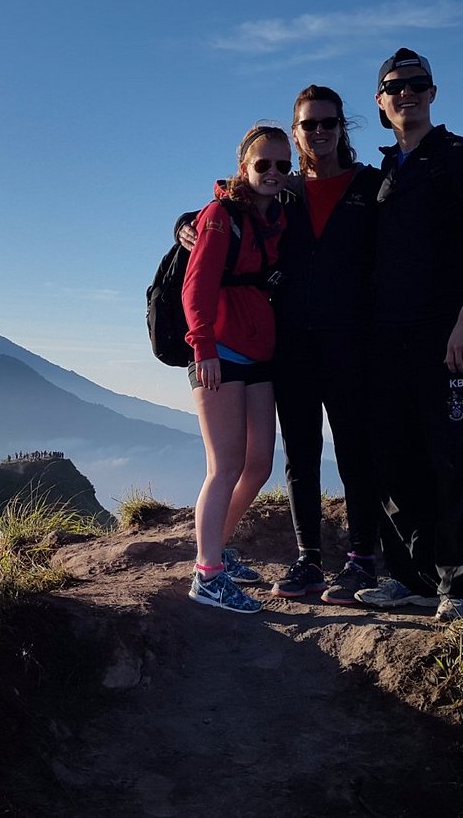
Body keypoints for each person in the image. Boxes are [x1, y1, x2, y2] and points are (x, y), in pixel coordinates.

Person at [355, 48, 463, 621]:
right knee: (394, 457)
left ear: (433, 93)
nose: (406, 93)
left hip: (447, 337)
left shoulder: (459, 158)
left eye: (417, 84)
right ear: (381, 100)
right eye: (395, 86)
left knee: (451, 459)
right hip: (387, 340)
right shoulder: (388, 170)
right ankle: (411, 578)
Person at [267, 87, 387, 605]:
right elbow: (223, 209)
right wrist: (184, 225)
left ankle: (363, 559)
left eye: (328, 123)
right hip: (291, 344)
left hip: (352, 342)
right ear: (295, 133)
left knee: (356, 449)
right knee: (300, 452)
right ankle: (308, 560)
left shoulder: (372, 186)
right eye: (308, 124)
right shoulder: (279, 191)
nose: (319, 132)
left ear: (344, 127)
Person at [184, 125, 288, 614]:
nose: (272, 173)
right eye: (262, 164)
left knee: (259, 463)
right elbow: (196, 286)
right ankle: (207, 575)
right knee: (224, 466)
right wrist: (202, 346)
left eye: (282, 165)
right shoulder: (221, 217)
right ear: (243, 166)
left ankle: (216, 550)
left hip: (259, 355)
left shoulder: (276, 217)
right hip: (219, 353)